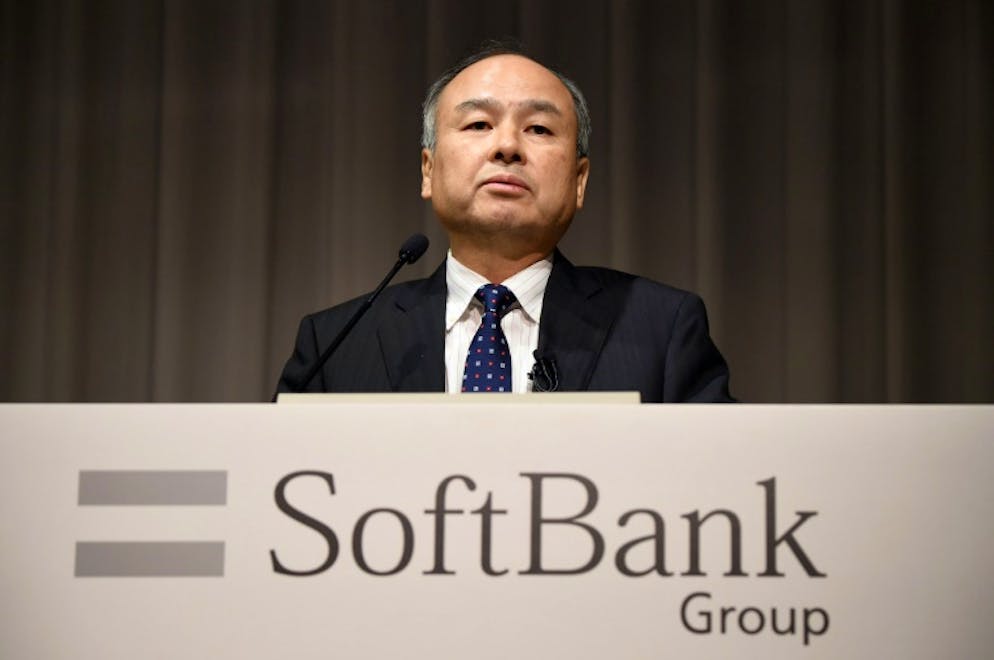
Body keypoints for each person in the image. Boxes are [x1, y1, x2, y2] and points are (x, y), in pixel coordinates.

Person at [275, 43, 734, 402]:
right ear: (428, 170)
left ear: (579, 181)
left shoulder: (662, 329)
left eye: (539, 129)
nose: (507, 146)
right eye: (479, 124)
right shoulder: (335, 344)